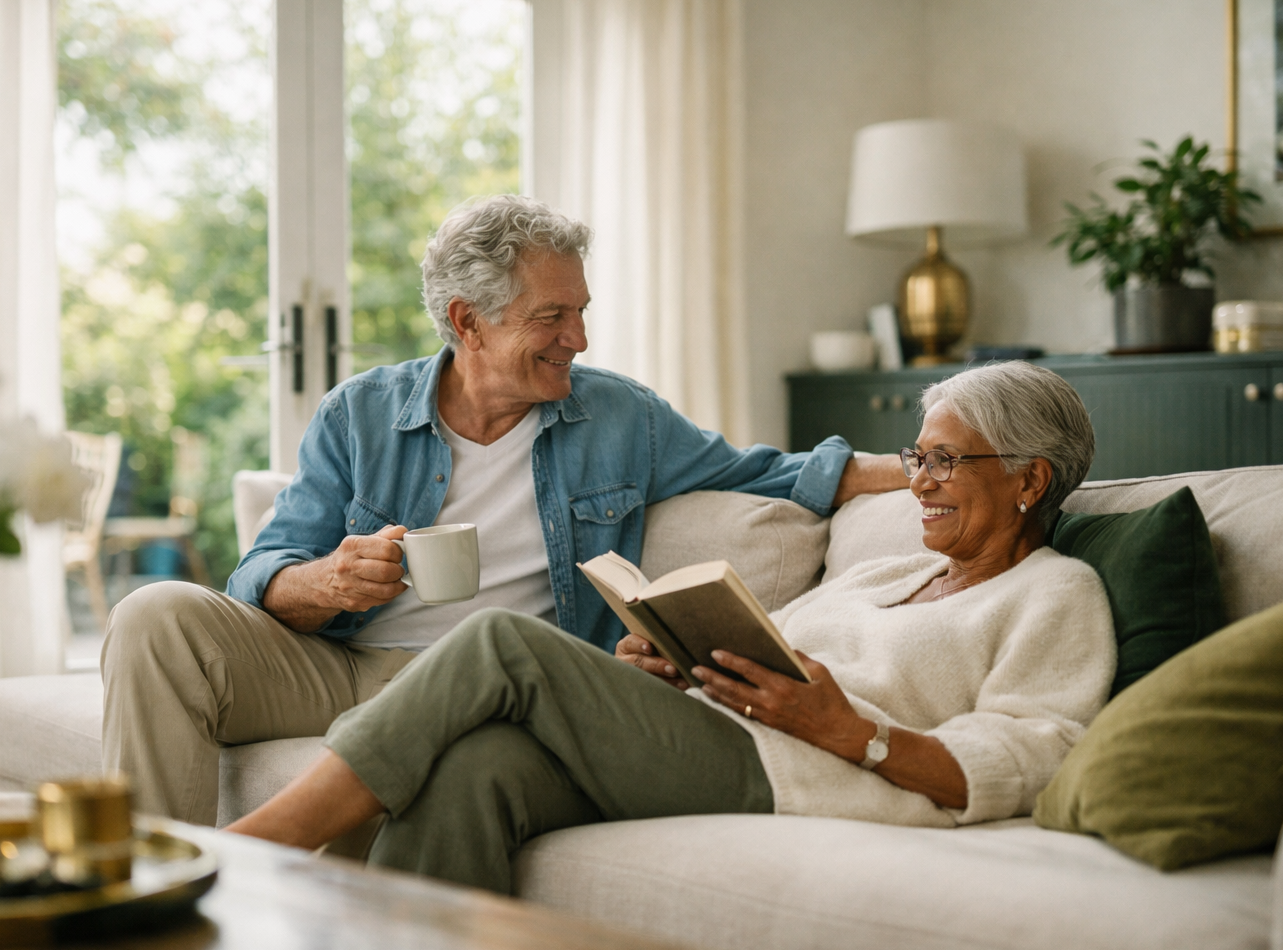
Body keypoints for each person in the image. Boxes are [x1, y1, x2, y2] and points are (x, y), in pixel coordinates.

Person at [101, 195, 908, 824]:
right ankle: (145, 893)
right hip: (342, 665)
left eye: (581, 310)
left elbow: (776, 472)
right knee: (155, 614)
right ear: (467, 322)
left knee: (479, 685)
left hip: (490, 683)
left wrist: (925, 465)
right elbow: (263, 574)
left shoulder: (622, 419)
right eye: (551, 317)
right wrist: (329, 582)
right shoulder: (360, 414)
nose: (579, 338)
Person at [224, 361, 1119, 895]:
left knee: (503, 641)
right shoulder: (892, 573)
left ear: (1031, 481)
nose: (918, 481)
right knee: (474, 769)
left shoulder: (1055, 594)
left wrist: (854, 735)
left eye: (944, 461)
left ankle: (260, 854)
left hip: (796, 773)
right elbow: (767, 655)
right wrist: (676, 664)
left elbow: (1028, 759)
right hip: (724, 737)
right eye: (918, 458)